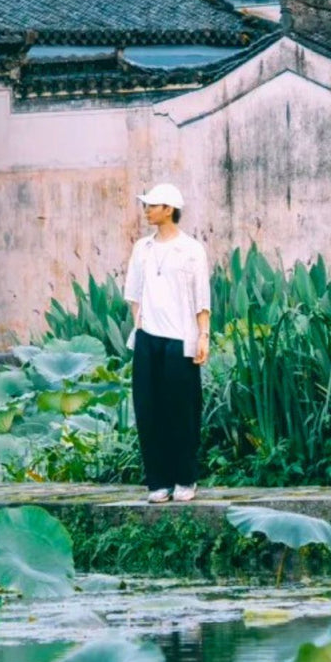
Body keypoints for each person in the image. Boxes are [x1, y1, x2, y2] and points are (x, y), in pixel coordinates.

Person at [123, 182, 211, 503]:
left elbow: (201, 297)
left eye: (153, 205)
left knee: (182, 411)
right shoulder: (141, 248)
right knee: (149, 411)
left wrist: (203, 335)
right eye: (146, 205)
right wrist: (141, 324)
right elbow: (134, 293)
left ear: (169, 210)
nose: (147, 210)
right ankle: (157, 482)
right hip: (148, 340)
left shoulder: (191, 249)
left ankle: (185, 479)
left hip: (180, 340)